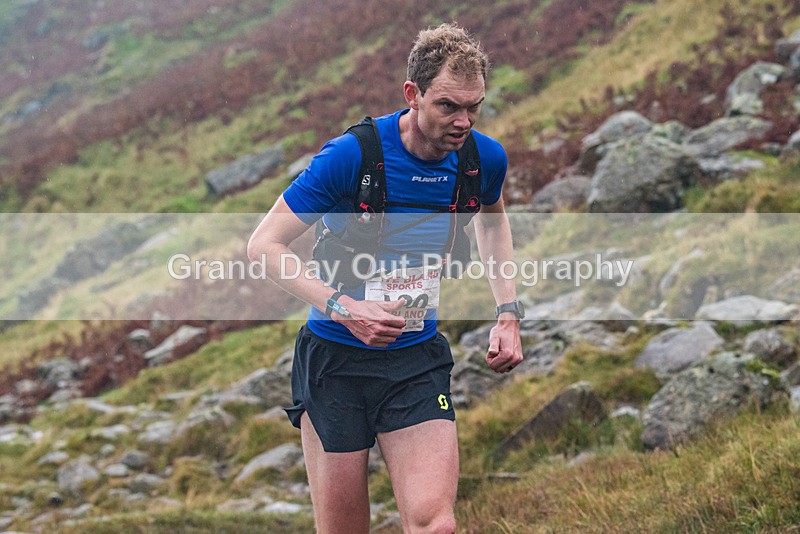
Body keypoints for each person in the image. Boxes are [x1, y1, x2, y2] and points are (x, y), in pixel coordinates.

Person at [247, 22, 524, 534]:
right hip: (335, 362)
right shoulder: (352, 156)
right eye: (448, 106)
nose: (463, 122)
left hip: (415, 359)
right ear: (412, 95)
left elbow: (492, 220)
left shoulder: (483, 158)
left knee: (435, 525)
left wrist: (507, 311)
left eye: (474, 107)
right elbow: (263, 245)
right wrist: (343, 306)